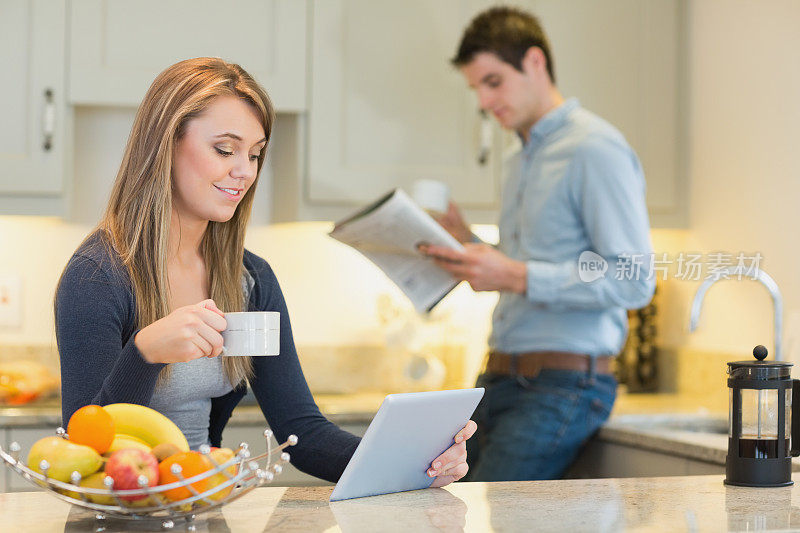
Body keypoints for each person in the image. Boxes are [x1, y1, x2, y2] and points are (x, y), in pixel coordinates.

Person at [55, 57, 475, 486]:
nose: (245, 172)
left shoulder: (249, 280)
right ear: (165, 143)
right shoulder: (98, 277)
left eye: (255, 154)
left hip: (205, 504)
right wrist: (144, 353)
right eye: (225, 149)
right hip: (121, 514)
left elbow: (302, 434)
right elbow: (84, 449)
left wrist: (417, 461)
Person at [419, 7, 655, 481]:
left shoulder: (594, 148)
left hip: (564, 385)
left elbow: (634, 278)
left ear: (534, 62)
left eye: (493, 82)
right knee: (441, 503)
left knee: (478, 511)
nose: (485, 102)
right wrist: (466, 243)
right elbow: (534, 261)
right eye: (476, 89)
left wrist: (513, 275)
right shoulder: (519, 158)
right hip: (500, 378)